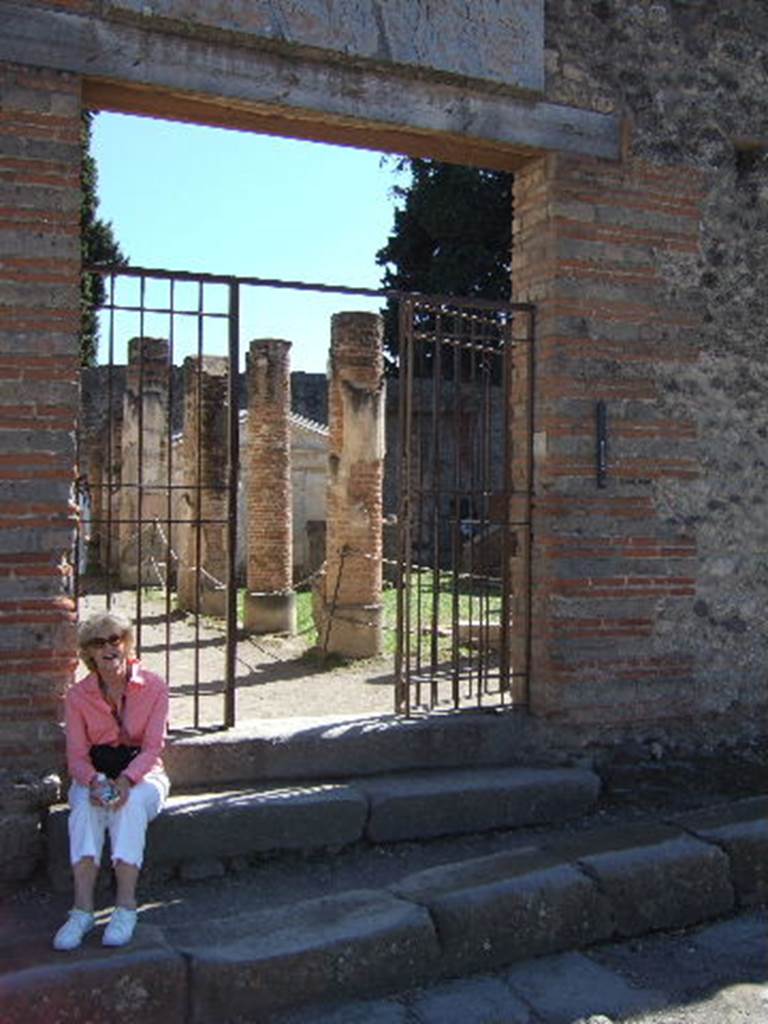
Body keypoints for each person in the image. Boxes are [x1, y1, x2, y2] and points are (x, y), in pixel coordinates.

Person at [52, 611, 170, 951]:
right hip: (96, 775)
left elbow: (153, 748)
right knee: (84, 812)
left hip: (144, 774)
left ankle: (125, 906)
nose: (108, 648)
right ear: (88, 653)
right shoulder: (78, 696)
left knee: (128, 807)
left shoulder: (154, 687)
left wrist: (127, 781)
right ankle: (82, 909)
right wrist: (92, 782)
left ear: (127, 643)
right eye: (98, 642)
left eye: (114, 639)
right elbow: (76, 755)